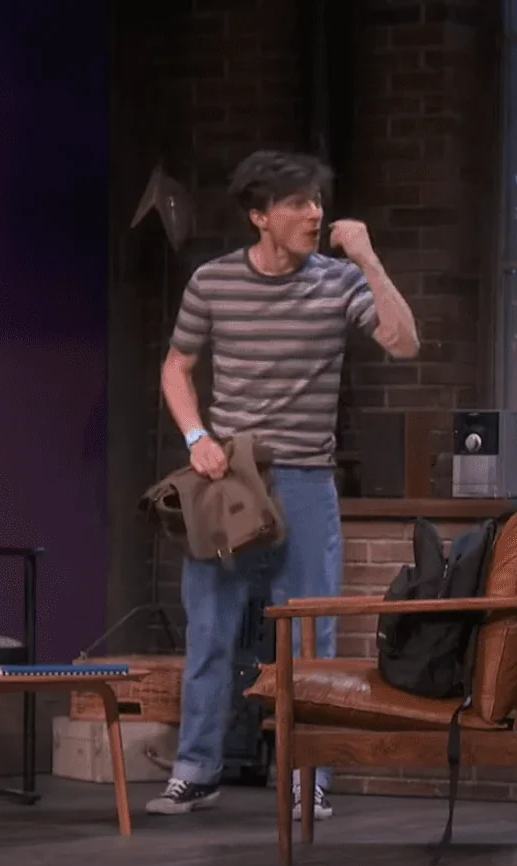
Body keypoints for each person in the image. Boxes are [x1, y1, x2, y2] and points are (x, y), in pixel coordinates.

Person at [148, 150, 421, 820]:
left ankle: (306, 776)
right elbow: (177, 367)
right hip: (231, 477)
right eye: (298, 203)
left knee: (309, 635)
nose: (314, 214)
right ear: (260, 215)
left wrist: (369, 258)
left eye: (317, 202)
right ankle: (196, 770)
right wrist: (196, 439)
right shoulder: (213, 283)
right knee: (210, 628)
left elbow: (404, 342)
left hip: (305, 480)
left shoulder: (337, 281)